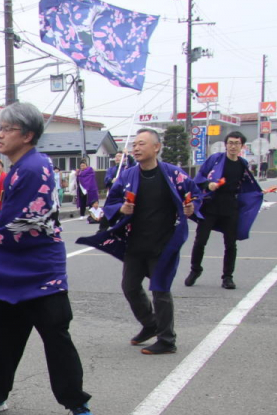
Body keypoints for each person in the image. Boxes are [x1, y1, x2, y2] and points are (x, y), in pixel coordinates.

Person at [0, 102, 94, 415]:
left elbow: (31, 220)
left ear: (27, 135)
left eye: (7, 129)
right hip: (11, 267)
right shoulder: (17, 168)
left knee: (55, 335)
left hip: (40, 268)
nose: (0, 135)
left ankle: (76, 401)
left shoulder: (33, 167)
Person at [78, 130, 198, 355]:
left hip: (163, 243)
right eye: (134, 144)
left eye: (142, 143)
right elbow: (111, 202)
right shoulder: (127, 176)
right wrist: (120, 209)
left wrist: (191, 208)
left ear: (156, 148)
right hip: (135, 241)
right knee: (129, 286)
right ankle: (150, 323)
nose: (136, 148)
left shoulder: (173, 174)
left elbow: (195, 194)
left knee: (160, 289)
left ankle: (167, 339)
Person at [185, 132, 264, 290]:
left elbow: (247, 185)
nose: (233, 146)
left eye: (236, 143)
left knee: (230, 244)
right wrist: (209, 185)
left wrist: (257, 194)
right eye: (230, 143)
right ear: (226, 144)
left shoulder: (242, 164)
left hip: (230, 207)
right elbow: (199, 177)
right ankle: (195, 270)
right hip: (211, 205)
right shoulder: (215, 159)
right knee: (200, 241)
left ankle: (227, 277)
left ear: (242, 146)